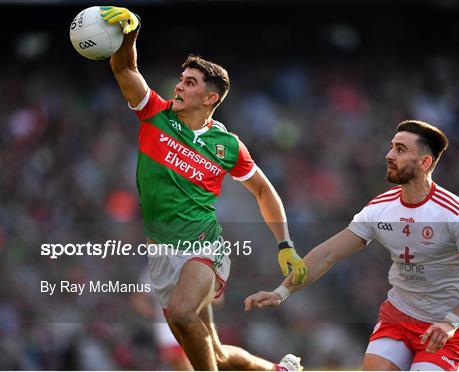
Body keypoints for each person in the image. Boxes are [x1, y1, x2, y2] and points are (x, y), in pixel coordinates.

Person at [99, 6, 306, 371]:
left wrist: (284, 244)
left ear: (210, 98)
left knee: (181, 314)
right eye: (181, 79)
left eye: (190, 82)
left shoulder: (227, 145)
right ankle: (280, 370)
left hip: (203, 248)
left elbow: (263, 190)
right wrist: (129, 33)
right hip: (162, 259)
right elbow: (124, 68)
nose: (179, 85)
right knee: (218, 355)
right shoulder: (155, 114)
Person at [245, 120, 459, 371]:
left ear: (425, 163)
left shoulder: (456, 215)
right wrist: (282, 291)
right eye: (392, 147)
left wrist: (450, 322)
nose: (389, 155)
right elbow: (327, 254)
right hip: (398, 317)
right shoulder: (379, 209)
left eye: (401, 150)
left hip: (446, 328)